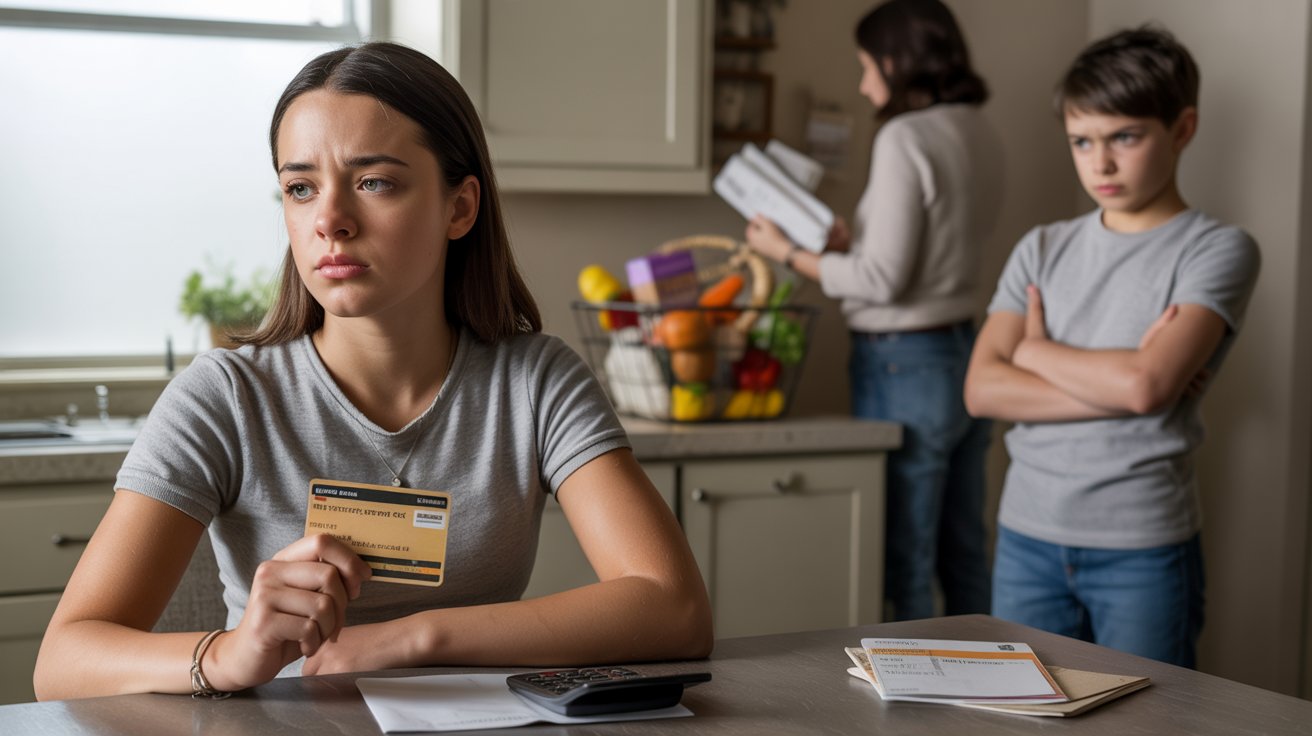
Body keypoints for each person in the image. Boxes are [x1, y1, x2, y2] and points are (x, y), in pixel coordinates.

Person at [34, 42, 713, 700]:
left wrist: (412, 638)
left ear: (460, 207)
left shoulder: (536, 382)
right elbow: (62, 663)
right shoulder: (224, 396)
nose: (329, 219)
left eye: (374, 182)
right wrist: (230, 652)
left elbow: (674, 608)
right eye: (300, 188)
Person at [964, 27, 1260, 667]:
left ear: (1182, 129)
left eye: (1125, 137)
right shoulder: (1041, 246)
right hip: (1026, 537)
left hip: (1144, 545)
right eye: (1082, 141)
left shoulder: (1216, 249)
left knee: (1149, 722)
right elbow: (982, 388)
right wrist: (1125, 384)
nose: (1100, 164)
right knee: (1017, 716)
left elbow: (1145, 386)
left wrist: (1035, 351)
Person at [744, 0, 1002, 621]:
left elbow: (881, 280)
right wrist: (844, 246)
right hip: (966, 353)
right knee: (964, 547)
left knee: (904, 555)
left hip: (903, 365)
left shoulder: (905, 136)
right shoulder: (978, 128)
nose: (864, 84)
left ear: (897, 60)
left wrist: (787, 252)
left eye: (867, 66)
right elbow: (927, 257)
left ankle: (914, 710)